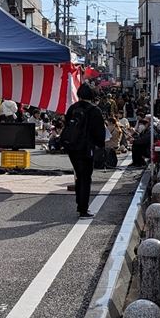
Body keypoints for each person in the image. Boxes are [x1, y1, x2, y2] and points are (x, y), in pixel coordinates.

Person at [61, 84, 106, 218]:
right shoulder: (94, 110)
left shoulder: (73, 108)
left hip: (72, 147)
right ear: (91, 95)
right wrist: (100, 145)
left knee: (79, 175)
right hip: (86, 148)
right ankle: (83, 208)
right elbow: (99, 133)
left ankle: (79, 202)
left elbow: (67, 125)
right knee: (86, 177)